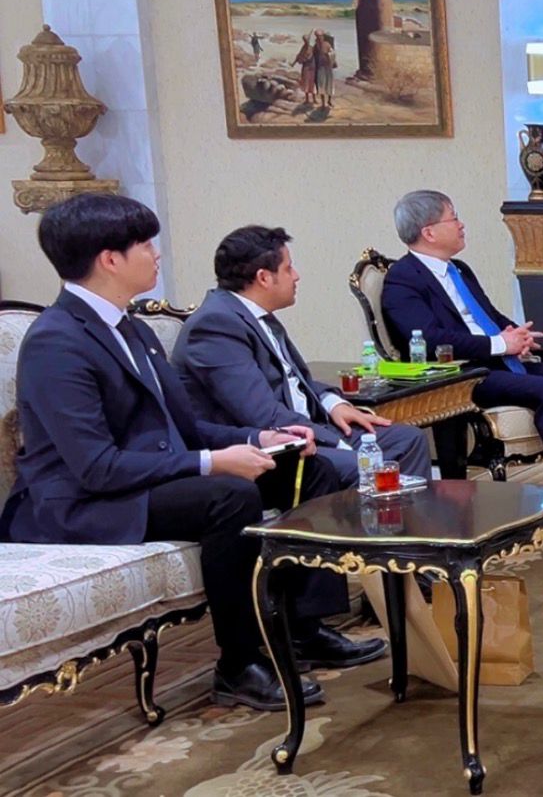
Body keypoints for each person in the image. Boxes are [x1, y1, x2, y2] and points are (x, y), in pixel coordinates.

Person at [0, 193, 385, 712]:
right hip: (83, 501)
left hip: (142, 478)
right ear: (109, 259)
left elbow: (184, 427)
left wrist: (257, 439)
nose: (156, 254)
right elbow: (96, 466)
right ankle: (237, 665)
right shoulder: (57, 341)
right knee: (229, 496)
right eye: (145, 244)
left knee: (308, 467)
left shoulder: (132, 327)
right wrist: (212, 462)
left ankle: (301, 628)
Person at [381, 189, 543, 527]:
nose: (461, 225)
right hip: (465, 376)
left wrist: (515, 334)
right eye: (453, 218)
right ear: (429, 232)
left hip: (501, 361)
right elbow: (430, 339)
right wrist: (500, 345)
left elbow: (487, 314)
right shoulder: (402, 279)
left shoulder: (458, 269)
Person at [173, 225, 431, 488]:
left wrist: (333, 403)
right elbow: (263, 415)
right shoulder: (215, 326)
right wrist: (338, 443)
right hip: (273, 445)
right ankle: (374, 513)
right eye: (288, 269)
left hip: (311, 427)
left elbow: (293, 381)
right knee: (361, 464)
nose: (296, 276)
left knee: (407, 440)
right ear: (264, 278)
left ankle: (404, 515)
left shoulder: (256, 315)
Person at [313, 30, 336, 108]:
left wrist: (329, 56)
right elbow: (313, 56)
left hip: (328, 67)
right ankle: (323, 103)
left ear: (323, 37)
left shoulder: (327, 44)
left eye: (320, 36)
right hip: (320, 68)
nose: (319, 38)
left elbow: (332, 53)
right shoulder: (316, 46)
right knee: (321, 85)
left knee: (329, 84)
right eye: (317, 37)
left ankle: (329, 100)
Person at [292, 33, 316, 104]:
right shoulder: (303, 48)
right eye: (304, 40)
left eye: (306, 40)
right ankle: (307, 99)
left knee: (312, 83)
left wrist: (303, 60)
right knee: (305, 83)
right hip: (305, 67)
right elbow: (299, 55)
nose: (306, 41)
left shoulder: (311, 48)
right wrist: (294, 63)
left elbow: (310, 57)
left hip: (312, 67)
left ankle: (314, 99)